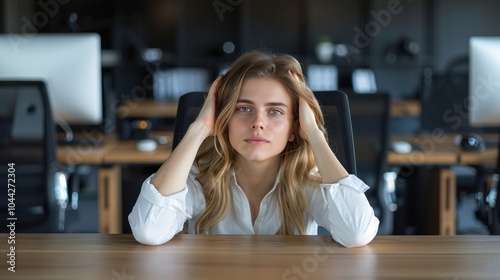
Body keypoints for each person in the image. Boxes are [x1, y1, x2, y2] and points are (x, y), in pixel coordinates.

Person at [128, 50, 379, 247]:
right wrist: (200, 127)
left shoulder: (309, 180)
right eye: (243, 108)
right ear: (223, 119)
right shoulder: (199, 178)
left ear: (294, 128)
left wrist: (313, 132)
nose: (258, 122)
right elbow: (148, 230)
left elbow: (357, 233)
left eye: (275, 111)